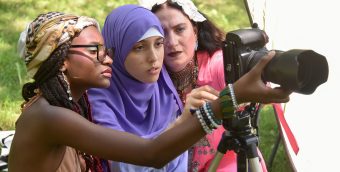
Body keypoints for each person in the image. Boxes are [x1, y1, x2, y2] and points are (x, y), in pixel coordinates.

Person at [8, 11, 291, 172]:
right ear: (62, 61)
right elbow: (151, 154)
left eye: (105, 50)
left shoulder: (69, 107)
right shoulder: (50, 116)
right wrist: (231, 98)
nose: (108, 58)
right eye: (95, 51)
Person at [147, 0, 268, 171]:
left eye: (179, 29)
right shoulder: (149, 76)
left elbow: (239, 73)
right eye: (162, 32)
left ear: (195, 32)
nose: (172, 42)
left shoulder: (216, 63)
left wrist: (260, 73)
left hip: (225, 162)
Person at [87, 5, 188, 171]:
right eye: (139, 47)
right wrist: (178, 129)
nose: (154, 58)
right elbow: (120, 163)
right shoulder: (98, 97)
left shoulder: (162, 89)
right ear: (115, 51)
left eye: (158, 44)